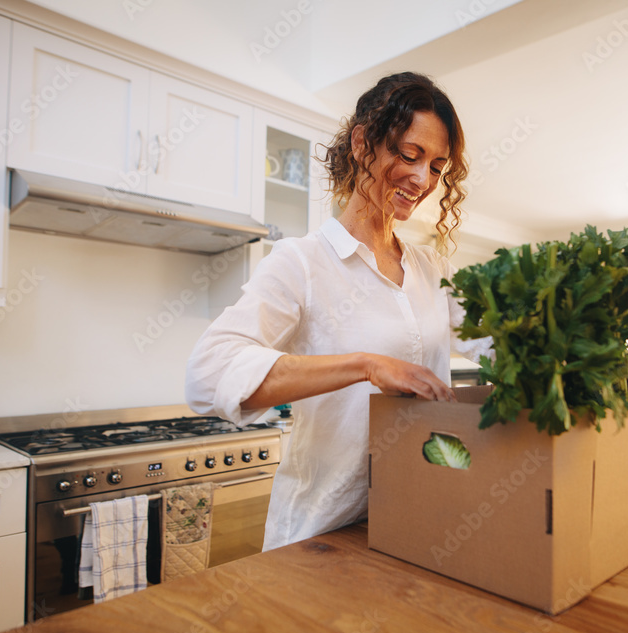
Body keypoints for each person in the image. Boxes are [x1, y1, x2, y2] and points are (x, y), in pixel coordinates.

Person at [185, 72, 490, 550]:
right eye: (409, 156)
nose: (422, 179)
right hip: (321, 532)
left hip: (415, 517)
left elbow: (498, 342)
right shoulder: (301, 263)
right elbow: (207, 374)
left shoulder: (432, 269)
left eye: (436, 166)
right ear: (363, 142)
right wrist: (365, 366)